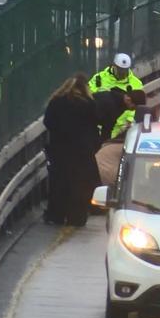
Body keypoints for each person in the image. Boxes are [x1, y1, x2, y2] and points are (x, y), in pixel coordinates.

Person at [43, 73, 100, 226]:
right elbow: (95, 125)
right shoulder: (88, 104)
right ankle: (77, 217)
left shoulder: (56, 102)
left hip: (59, 150)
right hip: (82, 152)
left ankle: (56, 215)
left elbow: (48, 122)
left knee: (59, 183)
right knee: (80, 185)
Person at [89, 52, 144, 139]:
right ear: (113, 66)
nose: (122, 74)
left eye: (124, 71)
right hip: (100, 126)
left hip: (122, 129)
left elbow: (137, 105)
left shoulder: (136, 83)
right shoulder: (99, 78)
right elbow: (89, 96)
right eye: (120, 71)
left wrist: (129, 121)